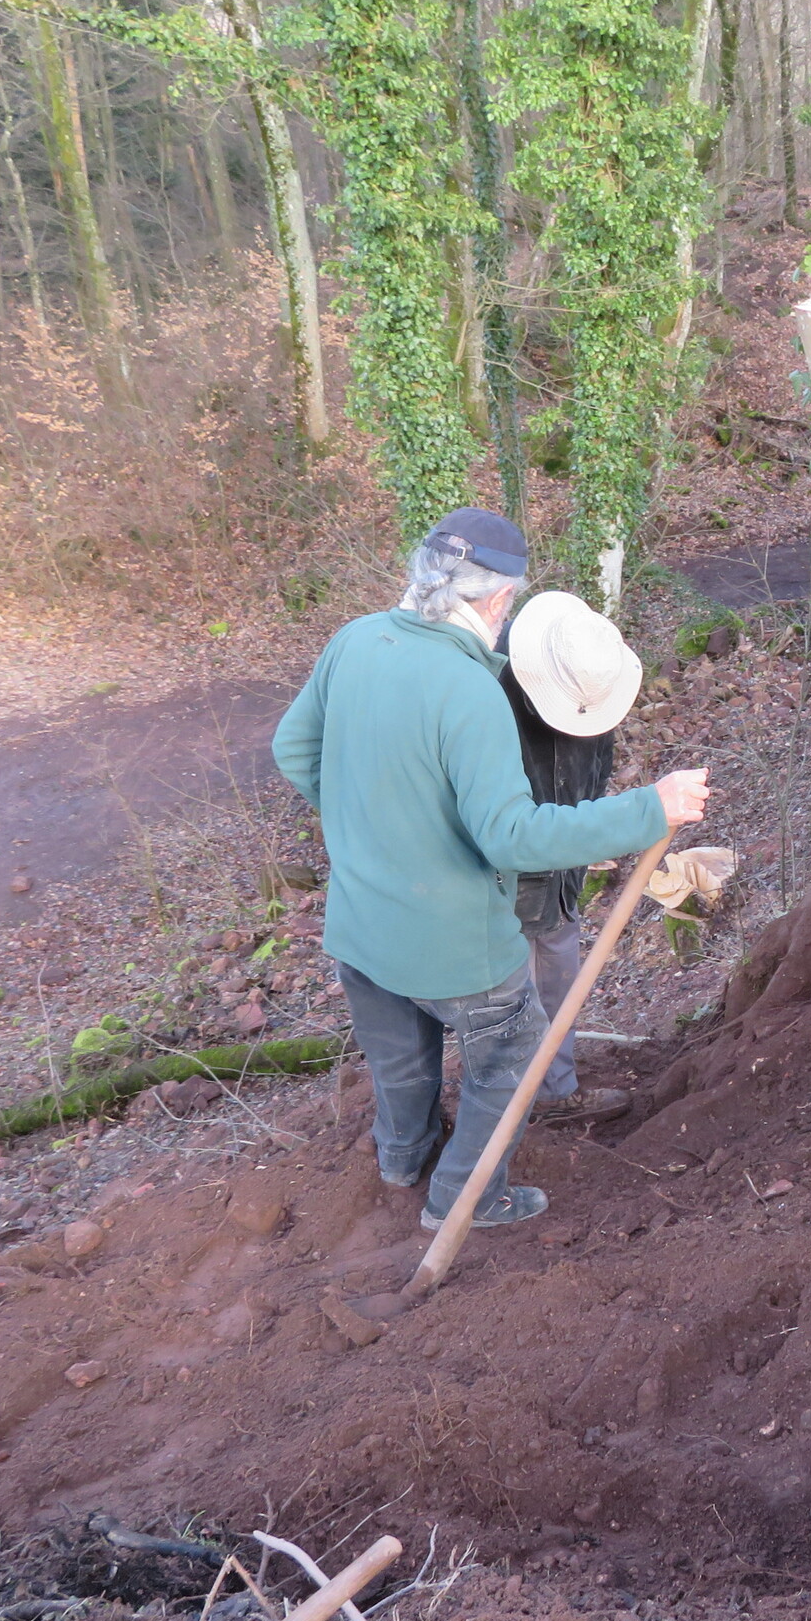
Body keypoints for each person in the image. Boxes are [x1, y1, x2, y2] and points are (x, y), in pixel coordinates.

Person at [272, 509, 709, 1231]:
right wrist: (648, 808)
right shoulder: (468, 689)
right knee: (511, 1055)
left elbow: (294, 750)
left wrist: (375, 828)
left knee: (400, 1063)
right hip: (456, 946)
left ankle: (403, 1159)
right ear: (500, 599)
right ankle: (464, 1198)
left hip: (360, 926)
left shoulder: (354, 640)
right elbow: (510, 836)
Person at [496, 588, 646, 1125]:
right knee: (504, 1000)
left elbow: (592, 778)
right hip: (502, 883)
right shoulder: (485, 694)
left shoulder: (593, 686)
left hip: (561, 881)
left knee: (558, 982)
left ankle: (553, 1092)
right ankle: (503, 1112)